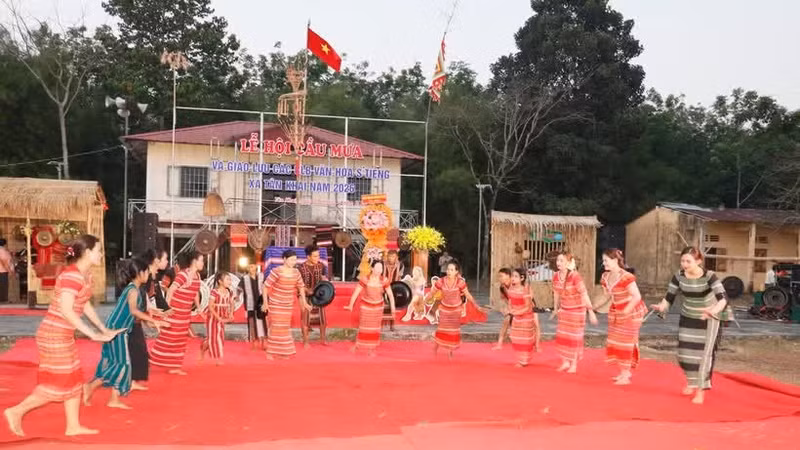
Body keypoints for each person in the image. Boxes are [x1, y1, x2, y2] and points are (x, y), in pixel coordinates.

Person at [3, 235, 121, 437]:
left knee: (75, 380)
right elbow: (67, 310)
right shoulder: (71, 276)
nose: (102, 254)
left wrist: (102, 328)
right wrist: (93, 335)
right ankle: (15, 411)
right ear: (87, 253)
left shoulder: (85, 276)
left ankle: (73, 426)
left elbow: (84, 305)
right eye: (99, 250)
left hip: (64, 335)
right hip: (54, 335)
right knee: (58, 384)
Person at [651, 246, 733, 405]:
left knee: (704, 355)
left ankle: (700, 391)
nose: (684, 264)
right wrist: (662, 306)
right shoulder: (679, 276)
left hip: (709, 317)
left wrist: (713, 311)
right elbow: (669, 296)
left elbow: (722, 298)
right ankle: (691, 382)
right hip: (688, 315)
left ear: (699, 261)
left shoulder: (710, 276)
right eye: (682, 261)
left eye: (688, 261)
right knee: (685, 353)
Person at [84, 258, 168, 409]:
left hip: (120, 329)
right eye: (147, 272)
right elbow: (134, 310)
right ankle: (106, 395)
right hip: (117, 330)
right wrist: (152, 320)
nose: (149, 275)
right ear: (140, 273)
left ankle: (94, 389)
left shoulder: (134, 288)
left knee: (117, 362)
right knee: (122, 363)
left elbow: (135, 314)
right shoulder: (133, 290)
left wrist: (152, 321)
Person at [595, 248, 646, 385]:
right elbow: (607, 296)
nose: (603, 263)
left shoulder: (626, 277)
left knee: (625, 343)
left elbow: (636, 296)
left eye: (606, 260)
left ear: (615, 260)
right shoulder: (605, 276)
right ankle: (625, 372)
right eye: (603, 260)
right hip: (617, 312)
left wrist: (626, 311)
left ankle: (625, 376)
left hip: (632, 312)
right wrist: (594, 307)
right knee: (616, 342)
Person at [149, 251, 204, 375]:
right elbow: (171, 290)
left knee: (180, 340)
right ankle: (152, 358)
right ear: (194, 262)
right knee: (168, 338)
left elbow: (195, 292)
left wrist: (199, 307)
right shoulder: (183, 275)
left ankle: (175, 366)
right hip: (175, 312)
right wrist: (167, 308)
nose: (203, 263)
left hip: (185, 314)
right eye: (201, 260)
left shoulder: (197, 276)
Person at [425, 261, 486, 359]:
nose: (449, 271)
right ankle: (435, 348)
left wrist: (477, 306)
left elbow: (468, 295)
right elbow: (432, 293)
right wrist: (425, 301)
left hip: (456, 310)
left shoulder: (460, 282)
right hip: (444, 309)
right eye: (448, 269)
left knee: (453, 332)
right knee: (441, 330)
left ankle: (450, 352)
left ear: (456, 272)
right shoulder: (441, 281)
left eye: (452, 270)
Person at [128, 249, 169, 391]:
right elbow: (136, 307)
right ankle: (93, 385)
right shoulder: (135, 287)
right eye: (159, 260)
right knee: (133, 352)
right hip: (128, 323)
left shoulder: (146, 281)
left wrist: (153, 313)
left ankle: (130, 381)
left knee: (137, 351)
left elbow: (144, 300)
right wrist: (152, 320)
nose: (160, 264)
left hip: (135, 321)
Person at [551, 251, 598, 374]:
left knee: (574, 338)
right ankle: (565, 362)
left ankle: (574, 364)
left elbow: (584, 293)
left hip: (577, 311)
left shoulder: (575, 276)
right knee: (563, 337)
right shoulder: (555, 276)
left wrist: (591, 311)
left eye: (561, 260)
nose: (558, 263)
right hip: (565, 310)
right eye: (557, 260)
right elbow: (556, 293)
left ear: (568, 263)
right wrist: (555, 309)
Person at [262, 250, 311, 360]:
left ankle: (283, 352)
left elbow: (301, 287)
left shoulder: (296, 272)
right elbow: (265, 287)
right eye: (291, 259)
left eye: (295, 259)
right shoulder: (276, 271)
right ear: (284, 259)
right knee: (275, 328)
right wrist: (265, 303)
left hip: (288, 304)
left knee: (284, 329)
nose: (293, 261)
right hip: (276, 304)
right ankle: (270, 352)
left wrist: (305, 302)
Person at [345, 260, 396, 356]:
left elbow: (390, 295)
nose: (379, 270)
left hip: (378, 308)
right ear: (372, 268)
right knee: (363, 329)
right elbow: (356, 292)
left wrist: (393, 309)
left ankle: (371, 350)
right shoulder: (365, 279)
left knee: (375, 329)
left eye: (381, 268)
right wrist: (350, 305)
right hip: (366, 307)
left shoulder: (384, 280)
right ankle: (357, 346)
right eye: (377, 268)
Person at [298, 245, 329, 347]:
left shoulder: (321, 266)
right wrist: (307, 290)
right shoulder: (301, 268)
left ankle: (323, 340)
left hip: (318, 295)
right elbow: (298, 284)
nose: (317, 258)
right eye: (315, 256)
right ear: (308, 257)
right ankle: (306, 341)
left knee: (322, 317)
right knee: (305, 317)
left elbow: (324, 278)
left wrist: (326, 282)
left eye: (318, 256)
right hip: (304, 295)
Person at [200, 272, 234, 365]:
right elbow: (211, 307)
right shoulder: (214, 292)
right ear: (220, 281)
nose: (229, 281)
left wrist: (231, 313)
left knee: (219, 337)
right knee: (215, 337)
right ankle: (217, 358)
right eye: (227, 279)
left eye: (230, 279)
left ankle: (203, 348)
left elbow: (232, 303)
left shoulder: (229, 292)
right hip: (212, 317)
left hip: (222, 317)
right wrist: (218, 317)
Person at [506, 268, 537, 367]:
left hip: (526, 317)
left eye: (516, 276)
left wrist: (517, 312)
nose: (513, 279)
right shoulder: (511, 288)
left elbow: (528, 306)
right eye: (512, 276)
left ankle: (523, 361)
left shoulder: (526, 289)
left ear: (522, 278)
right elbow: (510, 301)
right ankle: (522, 359)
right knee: (515, 337)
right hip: (516, 316)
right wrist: (510, 310)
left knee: (525, 339)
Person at [240, 264, 266, 350]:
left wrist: (266, 302)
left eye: (252, 266)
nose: (250, 268)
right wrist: (235, 295)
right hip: (250, 305)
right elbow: (239, 289)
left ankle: (263, 343)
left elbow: (266, 288)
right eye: (249, 267)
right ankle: (254, 343)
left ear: (256, 267)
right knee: (252, 324)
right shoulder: (244, 278)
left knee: (263, 323)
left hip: (260, 303)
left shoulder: (261, 276)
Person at [492, 268, 514, 350]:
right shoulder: (502, 287)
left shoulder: (515, 284)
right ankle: (499, 344)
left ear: (508, 276)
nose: (499, 278)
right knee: (506, 321)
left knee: (534, 325)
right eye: (499, 276)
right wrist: (505, 308)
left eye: (501, 276)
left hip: (521, 306)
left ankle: (535, 345)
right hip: (512, 308)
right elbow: (504, 299)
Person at [0, 238, 14, 303]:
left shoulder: (3, 250)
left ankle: (3, 299)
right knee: (3, 285)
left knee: (3, 285)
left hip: (3, 270)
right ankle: (3, 299)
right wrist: (9, 270)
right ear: (5, 244)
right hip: (2, 270)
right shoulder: (2, 250)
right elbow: (3, 261)